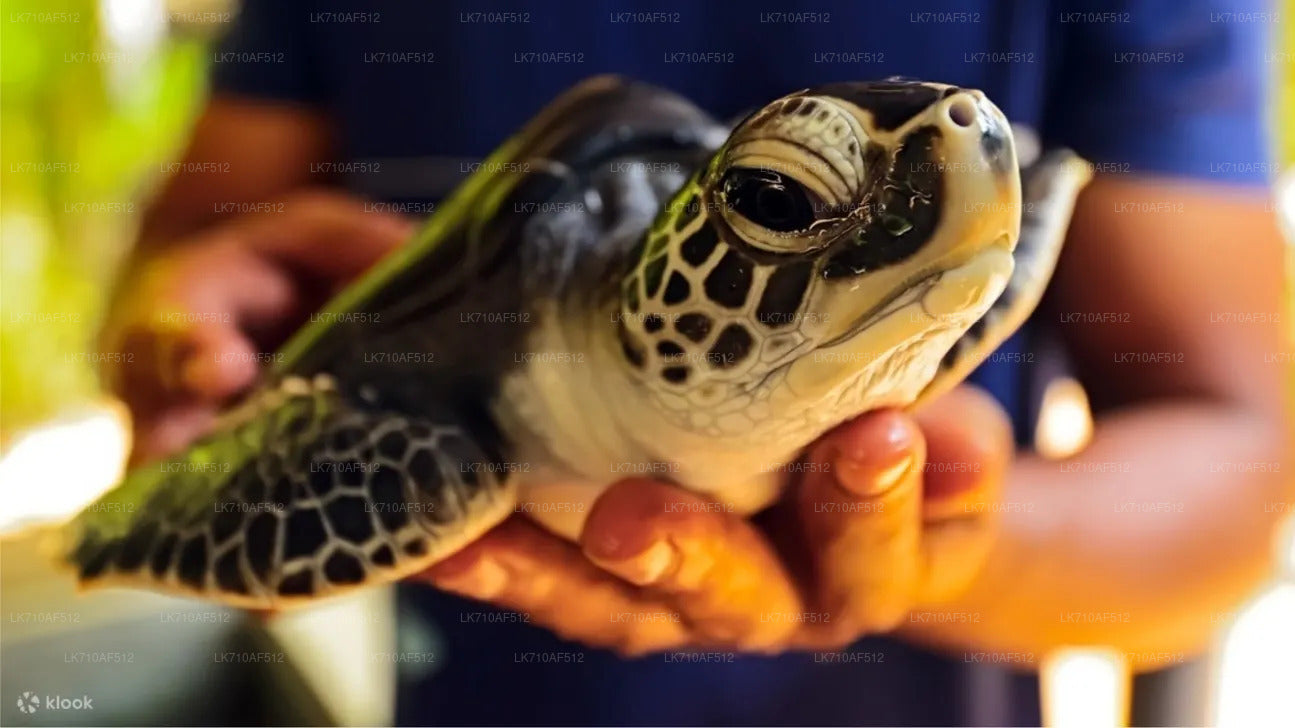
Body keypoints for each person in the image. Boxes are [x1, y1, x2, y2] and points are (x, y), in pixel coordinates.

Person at [102, 1, 1290, 724]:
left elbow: (1243, 457)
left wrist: (929, 549)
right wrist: (190, 341)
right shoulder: (447, 432)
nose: (965, 165)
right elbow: (190, 250)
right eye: (783, 199)